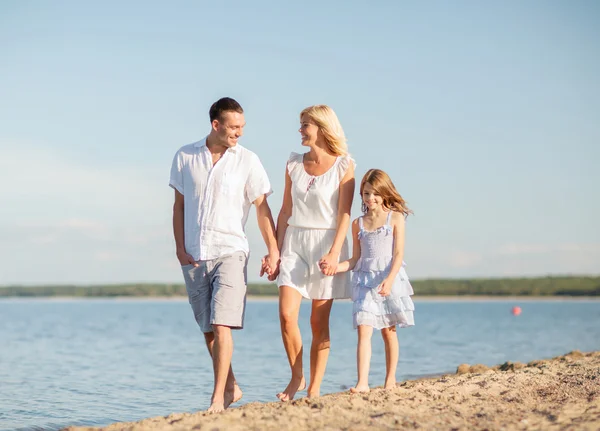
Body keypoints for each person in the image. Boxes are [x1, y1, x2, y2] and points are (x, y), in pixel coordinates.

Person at [169, 97, 279, 413]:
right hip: (194, 254)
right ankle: (231, 386)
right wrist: (179, 247)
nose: (239, 133)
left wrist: (273, 250)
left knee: (222, 324)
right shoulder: (185, 156)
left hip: (232, 251)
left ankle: (218, 398)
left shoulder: (248, 160)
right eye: (233, 127)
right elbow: (178, 207)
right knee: (208, 329)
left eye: (242, 127)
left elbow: (262, 208)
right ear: (215, 125)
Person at [272, 105, 355, 401]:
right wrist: (275, 252)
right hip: (294, 241)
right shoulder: (292, 163)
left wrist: (335, 254)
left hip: (326, 244)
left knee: (318, 322)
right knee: (286, 315)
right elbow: (284, 211)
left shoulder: (344, 166)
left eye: (305, 124)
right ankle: (297, 377)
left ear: (321, 127)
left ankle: (315, 389)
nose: (300, 130)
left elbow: (345, 214)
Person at [335, 168, 415, 393]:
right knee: (364, 328)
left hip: (388, 279)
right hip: (364, 282)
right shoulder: (358, 224)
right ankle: (362, 383)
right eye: (366, 193)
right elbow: (355, 259)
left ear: (384, 193)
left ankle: (390, 378)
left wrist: (389, 281)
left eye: (374, 194)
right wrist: (335, 267)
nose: (370, 198)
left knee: (388, 331)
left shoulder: (395, 218)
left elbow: (398, 255)